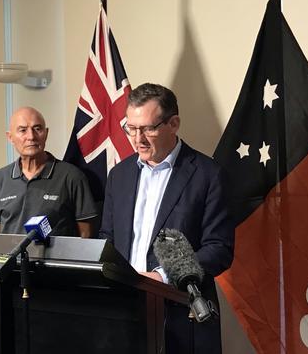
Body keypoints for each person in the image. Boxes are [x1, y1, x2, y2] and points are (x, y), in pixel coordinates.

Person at [99, 83, 234, 354]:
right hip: (125, 313)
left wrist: (161, 277)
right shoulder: (119, 175)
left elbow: (218, 249)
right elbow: (107, 239)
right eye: (132, 129)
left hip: (182, 315)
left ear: (174, 124)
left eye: (148, 128)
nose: (138, 139)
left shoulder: (208, 174)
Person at [0, 106, 97, 237]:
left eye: (37, 129)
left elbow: (85, 233)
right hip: (15, 257)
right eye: (23, 130)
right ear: (10, 137)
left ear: (46, 133)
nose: (31, 136)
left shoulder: (71, 176)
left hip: (57, 257)